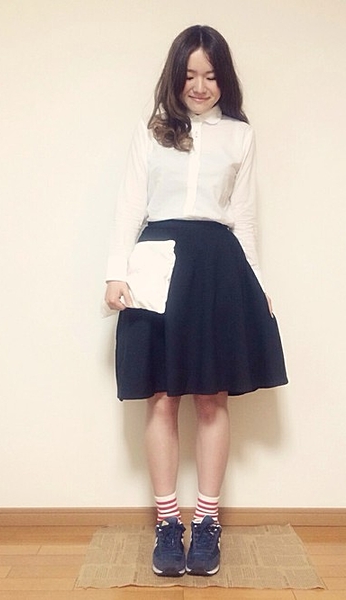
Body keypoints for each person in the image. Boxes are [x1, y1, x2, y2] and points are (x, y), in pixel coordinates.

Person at [104, 24, 288, 578]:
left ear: (223, 78)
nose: (200, 86)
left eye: (210, 75)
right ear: (175, 77)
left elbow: (243, 217)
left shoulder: (240, 137)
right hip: (156, 264)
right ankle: (168, 524)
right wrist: (114, 274)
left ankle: (207, 522)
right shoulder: (150, 132)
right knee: (161, 397)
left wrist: (257, 283)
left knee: (211, 396)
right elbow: (130, 205)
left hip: (217, 268)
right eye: (190, 75)